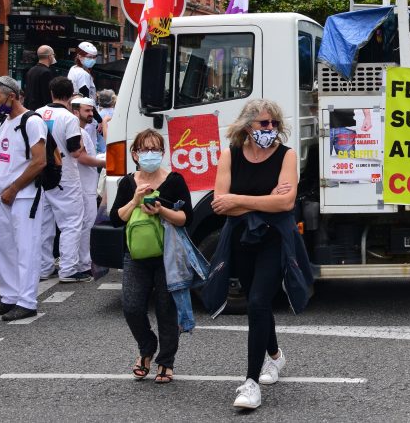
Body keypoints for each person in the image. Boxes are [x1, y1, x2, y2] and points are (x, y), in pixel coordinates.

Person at [207, 99, 306, 410]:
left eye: (274, 123)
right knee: (255, 303)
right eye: (264, 123)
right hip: (241, 237)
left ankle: (250, 383)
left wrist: (240, 200)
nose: (270, 129)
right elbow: (220, 202)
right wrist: (262, 199)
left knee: (261, 301)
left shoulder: (286, 155)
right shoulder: (231, 154)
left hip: (275, 237)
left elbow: (286, 203)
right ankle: (275, 356)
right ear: (247, 126)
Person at [109, 129, 191, 384]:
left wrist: (161, 210)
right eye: (144, 149)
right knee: (132, 306)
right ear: (134, 154)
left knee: (166, 309)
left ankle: (165, 361)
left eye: (155, 149)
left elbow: (185, 218)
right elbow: (115, 219)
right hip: (135, 254)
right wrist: (134, 200)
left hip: (167, 255)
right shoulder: (127, 182)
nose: (150, 154)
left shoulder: (175, 180)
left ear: (163, 153)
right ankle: (147, 346)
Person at [0, 76, 48, 322]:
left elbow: (39, 161)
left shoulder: (32, 121)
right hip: (3, 196)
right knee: (4, 249)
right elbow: (1, 164)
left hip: (25, 196)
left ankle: (27, 301)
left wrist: (14, 188)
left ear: (12, 96)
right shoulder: (3, 122)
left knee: (26, 248)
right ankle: (9, 297)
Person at [38, 78, 103, 283]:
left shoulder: (37, 113)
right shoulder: (68, 118)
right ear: (70, 94)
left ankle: (44, 266)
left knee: (45, 224)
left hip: (41, 175)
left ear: (51, 92)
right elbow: (75, 151)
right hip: (65, 176)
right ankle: (68, 269)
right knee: (72, 223)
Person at [70, 96, 105, 276]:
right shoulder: (78, 131)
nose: (91, 114)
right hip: (83, 187)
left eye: (92, 110)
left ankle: (81, 262)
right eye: (87, 110)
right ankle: (83, 264)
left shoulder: (82, 131)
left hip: (85, 186)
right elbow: (82, 158)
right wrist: (105, 162)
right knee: (85, 225)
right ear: (76, 111)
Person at [67, 42, 101, 146]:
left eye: (94, 57)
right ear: (79, 56)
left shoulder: (73, 69)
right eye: (89, 57)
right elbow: (86, 99)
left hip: (78, 113)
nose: (92, 60)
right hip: (87, 116)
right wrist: (99, 120)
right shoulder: (83, 74)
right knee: (89, 146)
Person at [24, 45, 58, 111]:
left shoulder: (31, 70)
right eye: (53, 55)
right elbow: (47, 95)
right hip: (41, 110)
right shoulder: (46, 72)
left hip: (29, 109)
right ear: (50, 56)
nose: (54, 57)